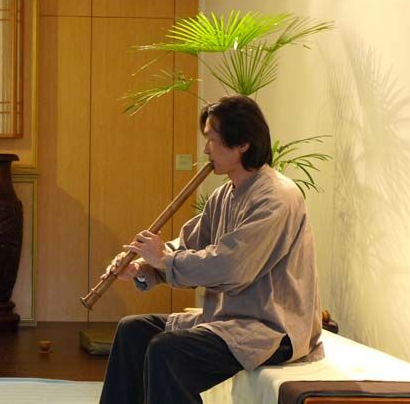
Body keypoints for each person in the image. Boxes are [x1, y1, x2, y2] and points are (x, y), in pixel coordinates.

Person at [99, 95, 323, 404]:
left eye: (212, 140)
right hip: (227, 320)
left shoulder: (277, 197)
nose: (206, 149)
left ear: (242, 143)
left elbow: (232, 267)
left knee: (167, 351)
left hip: (270, 327)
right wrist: (142, 267)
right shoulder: (223, 195)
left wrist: (163, 258)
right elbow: (187, 245)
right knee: (132, 331)